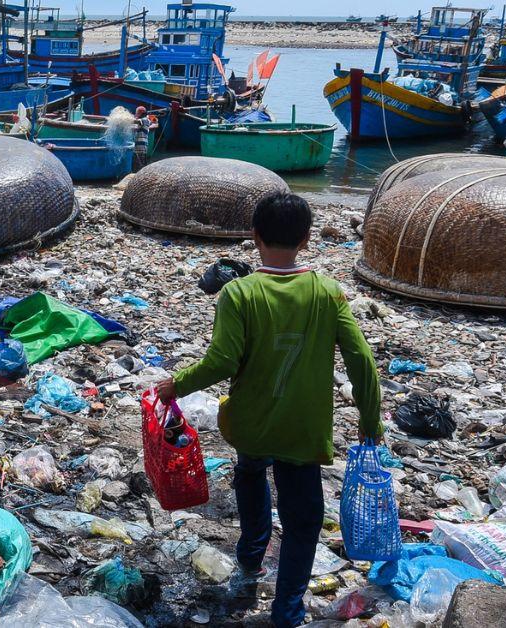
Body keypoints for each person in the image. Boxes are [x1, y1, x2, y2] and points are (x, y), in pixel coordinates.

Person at [157, 193, 383, 628]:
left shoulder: (238, 293)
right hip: (302, 433)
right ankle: (287, 612)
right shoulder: (328, 292)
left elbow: (222, 361)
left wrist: (176, 386)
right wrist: (370, 422)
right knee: (303, 523)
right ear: (306, 238)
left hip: (251, 425)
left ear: (255, 237)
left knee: (251, 472)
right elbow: (362, 362)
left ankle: (250, 557)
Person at [132, 105, 152, 171]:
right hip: (137, 148)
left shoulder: (145, 120)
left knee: (139, 169)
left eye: (137, 113)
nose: (136, 115)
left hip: (141, 149)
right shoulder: (143, 120)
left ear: (140, 113)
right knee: (139, 167)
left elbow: (137, 121)